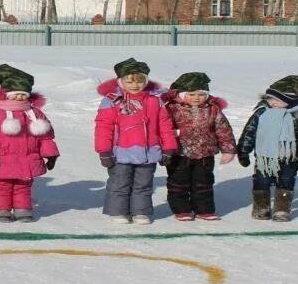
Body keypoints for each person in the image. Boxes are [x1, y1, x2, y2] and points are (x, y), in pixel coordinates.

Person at [94, 58, 178, 225]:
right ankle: (118, 212)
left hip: (148, 152)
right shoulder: (112, 101)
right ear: (121, 82)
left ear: (146, 81)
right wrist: (104, 151)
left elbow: (165, 125)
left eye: (140, 81)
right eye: (129, 81)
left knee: (144, 184)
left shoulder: (155, 100)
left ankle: (141, 212)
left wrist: (169, 148)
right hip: (120, 153)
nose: (135, 85)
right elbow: (103, 127)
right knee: (120, 183)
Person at [0, 64, 60, 223]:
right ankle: (2, 211)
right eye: (16, 94)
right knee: (1, 186)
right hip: (1, 159)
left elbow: (46, 135)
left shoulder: (34, 112)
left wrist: (50, 153)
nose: (20, 98)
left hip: (27, 159)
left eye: (23, 94)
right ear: (6, 93)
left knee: (23, 186)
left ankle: (23, 209)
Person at [237, 75, 298, 222]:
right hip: (265, 157)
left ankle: (282, 209)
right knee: (261, 180)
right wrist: (243, 150)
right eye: (270, 98)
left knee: (286, 181)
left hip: (289, 157)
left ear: (291, 100)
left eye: (278, 99)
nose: (272, 102)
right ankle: (261, 207)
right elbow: (250, 132)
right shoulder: (262, 112)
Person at [161, 72, 237, 221]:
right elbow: (163, 128)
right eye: (191, 94)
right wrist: (172, 137)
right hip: (179, 153)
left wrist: (228, 149)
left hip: (205, 153)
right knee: (178, 183)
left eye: (201, 94)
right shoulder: (171, 108)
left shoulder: (213, 109)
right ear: (181, 94)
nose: (196, 98)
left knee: (203, 183)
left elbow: (223, 129)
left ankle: (204, 210)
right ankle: (181, 209)